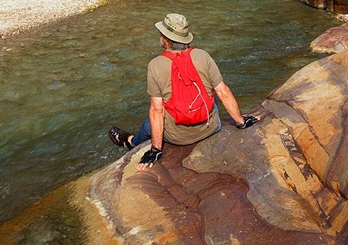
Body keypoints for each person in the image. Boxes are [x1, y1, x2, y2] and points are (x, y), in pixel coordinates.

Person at [108, 12, 260, 170]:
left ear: (166, 39)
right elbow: (224, 92)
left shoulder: (155, 65)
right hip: (211, 128)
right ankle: (133, 140)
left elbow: (157, 110)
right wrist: (241, 122)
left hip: (177, 138)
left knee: (149, 122)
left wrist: (155, 150)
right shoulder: (203, 55)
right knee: (211, 94)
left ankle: (131, 141)